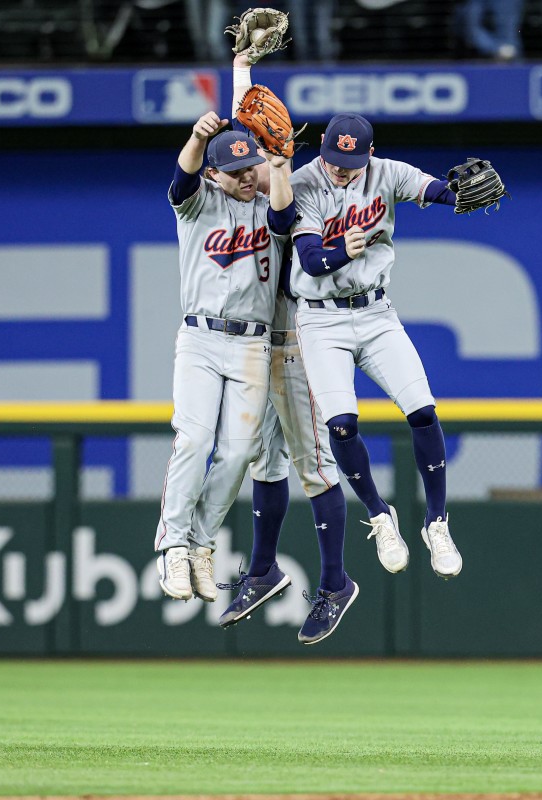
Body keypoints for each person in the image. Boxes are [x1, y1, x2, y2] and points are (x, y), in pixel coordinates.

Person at [287, 112, 471, 602]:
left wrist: (459, 196)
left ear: (367, 153)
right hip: (320, 318)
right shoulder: (302, 182)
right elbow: (309, 260)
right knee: (341, 423)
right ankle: (379, 514)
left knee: (423, 410)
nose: (340, 169)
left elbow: (434, 189)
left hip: (376, 313)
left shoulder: (386, 172)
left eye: (350, 161)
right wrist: (342, 251)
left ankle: (436, 522)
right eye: (332, 158)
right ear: (322, 146)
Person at [210, 50, 357, 646]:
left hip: (295, 344)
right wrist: (241, 66)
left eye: (267, 147)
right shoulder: (241, 179)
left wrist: (279, 156)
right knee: (263, 464)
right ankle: (264, 569)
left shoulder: (288, 190)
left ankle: (334, 583)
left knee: (314, 467)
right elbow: (240, 136)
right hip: (255, 349)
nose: (251, 164)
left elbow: (271, 173)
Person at [153, 110, 294, 604]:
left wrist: (277, 166)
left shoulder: (268, 201)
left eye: (250, 167)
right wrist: (196, 137)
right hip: (202, 338)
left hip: (252, 343)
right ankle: (172, 543)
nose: (245, 176)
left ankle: (200, 544)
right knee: (193, 439)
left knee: (237, 453)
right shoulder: (197, 205)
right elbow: (181, 178)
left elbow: (283, 217)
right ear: (214, 173)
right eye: (235, 171)